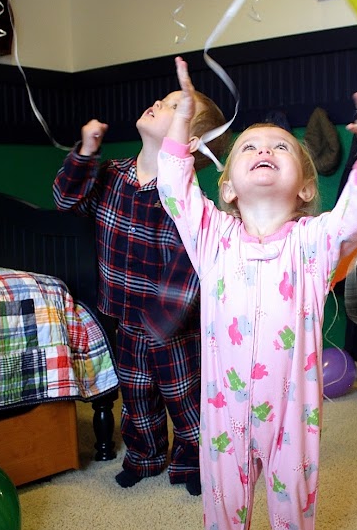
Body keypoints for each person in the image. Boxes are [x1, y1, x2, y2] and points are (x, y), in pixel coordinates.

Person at [157, 56, 357, 530]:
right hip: (224, 408)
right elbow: (175, 189)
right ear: (228, 187)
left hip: (292, 412)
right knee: (222, 496)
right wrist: (181, 123)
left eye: (280, 147)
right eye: (249, 147)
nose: (264, 148)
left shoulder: (314, 244)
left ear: (306, 187)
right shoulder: (212, 237)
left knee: (294, 499)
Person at [53, 81, 228, 496]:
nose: (156, 103)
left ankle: (193, 462)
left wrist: (165, 320)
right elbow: (66, 201)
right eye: (161, 100)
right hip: (125, 314)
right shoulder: (112, 174)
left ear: (190, 139)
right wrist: (86, 151)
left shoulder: (183, 198)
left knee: (185, 397)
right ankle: (144, 456)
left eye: (171, 106)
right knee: (136, 394)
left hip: (171, 323)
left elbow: (189, 267)